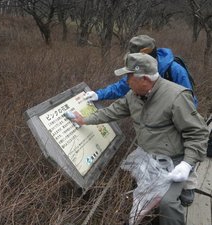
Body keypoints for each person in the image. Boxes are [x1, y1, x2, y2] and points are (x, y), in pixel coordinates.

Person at [72, 53, 209, 225]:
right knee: (133, 193)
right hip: (147, 156)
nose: (126, 81)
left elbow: (198, 133)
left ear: (144, 78)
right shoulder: (133, 95)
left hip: (174, 163)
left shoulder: (176, 97)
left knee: (168, 204)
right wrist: (84, 119)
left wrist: (187, 164)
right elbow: (111, 112)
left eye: (129, 76)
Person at [84, 34, 198, 206]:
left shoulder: (173, 69)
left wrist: (178, 115)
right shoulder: (137, 69)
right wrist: (99, 94)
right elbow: (123, 86)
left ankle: (188, 185)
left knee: (181, 151)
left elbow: (190, 101)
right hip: (154, 121)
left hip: (177, 116)